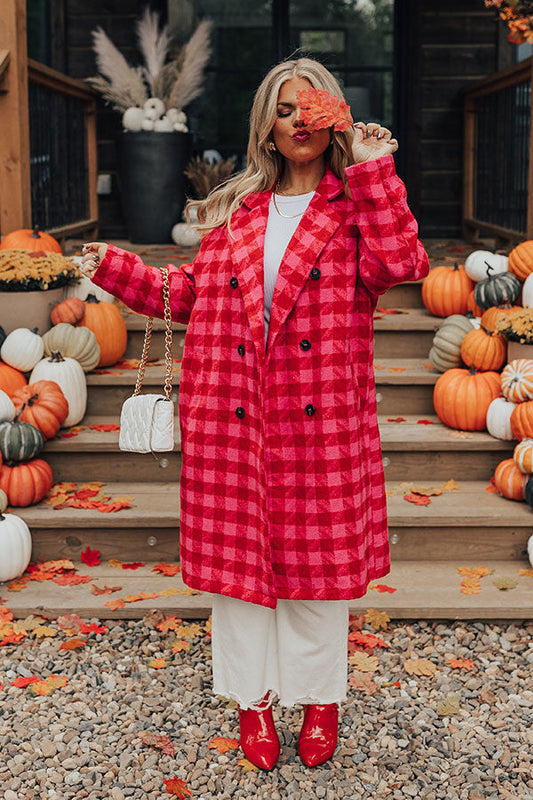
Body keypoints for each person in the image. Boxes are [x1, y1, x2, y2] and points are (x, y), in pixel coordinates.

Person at [81, 56, 429, 771]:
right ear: (266, 128)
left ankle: (319, 701)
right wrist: (114, 269)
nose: (298, 120)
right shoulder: (235, 209)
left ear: (332, 116)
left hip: (320, 420)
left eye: (312, 107)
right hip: (233, 417)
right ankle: (254, 704)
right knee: (240, 584)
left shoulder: (355, 202)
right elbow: (191, 292)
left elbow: (401, 266)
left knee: (316, 579)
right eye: (283, 109)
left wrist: (371, 167)